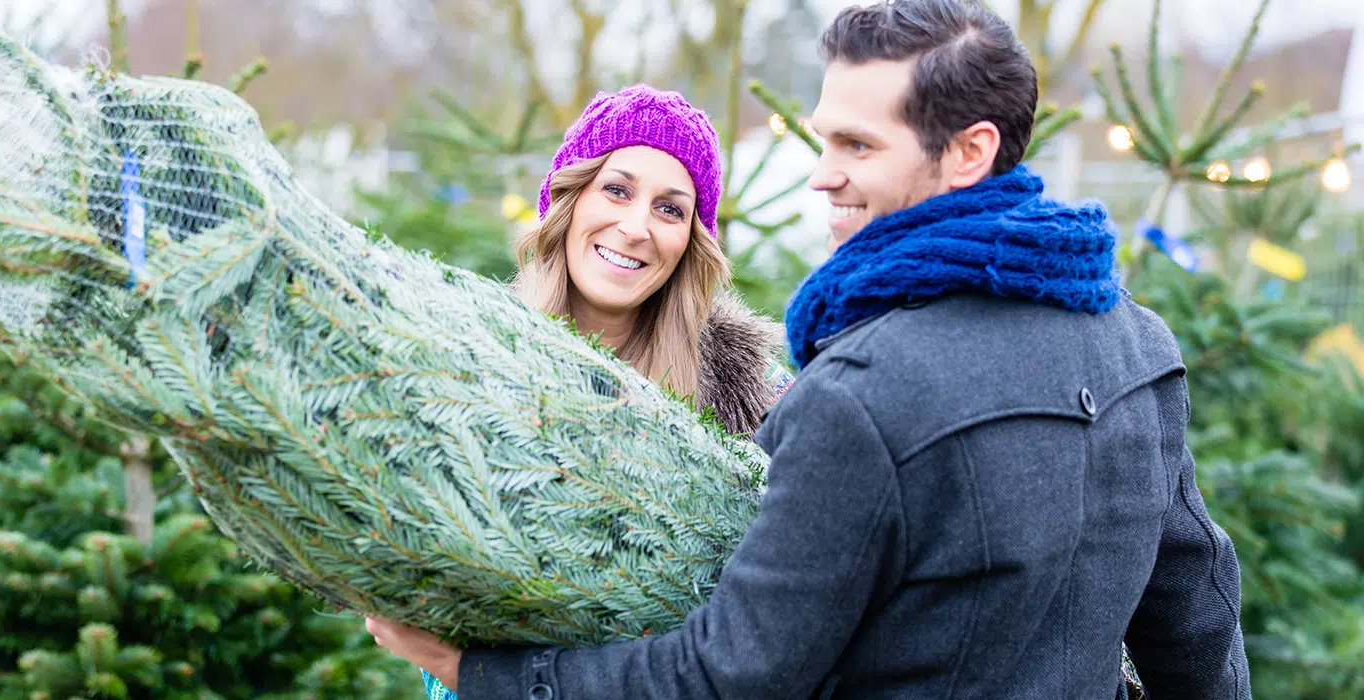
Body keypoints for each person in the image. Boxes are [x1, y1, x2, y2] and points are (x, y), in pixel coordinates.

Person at [367, 1, 1253, 699]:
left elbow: (729, 676)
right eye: (824, 136)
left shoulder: (858, 394)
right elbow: (1195, 621)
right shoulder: (1138, 342)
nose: (820, 170)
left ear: (970, 152)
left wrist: (480, 676)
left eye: (856, 144)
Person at [415, 83, 796, 700]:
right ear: (569, 201)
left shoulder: (755, 399)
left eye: (670, 209)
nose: (636, 226)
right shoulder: (474, 366)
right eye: (616, 190)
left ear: (691, 243)